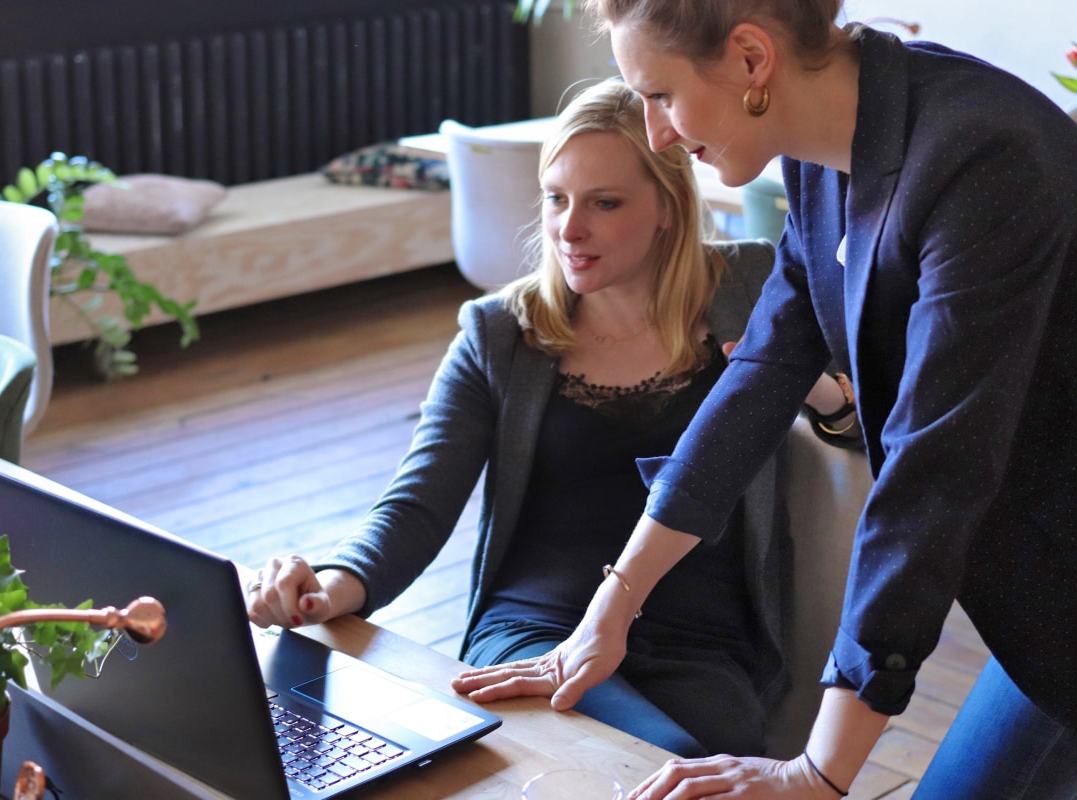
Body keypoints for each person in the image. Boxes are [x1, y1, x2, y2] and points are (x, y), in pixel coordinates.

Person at [450, 2, 1077, 798]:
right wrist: (613, 607)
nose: (656, 134)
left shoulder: (983, 156)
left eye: (662, 95)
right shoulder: (827, 154)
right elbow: (764, 371)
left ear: (751, 59)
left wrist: (817, 773)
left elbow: (934, 473)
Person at [246, 77, 854, 758]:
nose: (569, 228)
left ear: (668, 206)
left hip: (702, 645)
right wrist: (331, 587)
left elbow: (865, 431)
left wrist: (818, 393)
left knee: (693, 758)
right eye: (557, 199)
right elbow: (417, 503)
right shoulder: (501, 333)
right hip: (535, 631)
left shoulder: (752, 289)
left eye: (604, 203)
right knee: (659, 759)